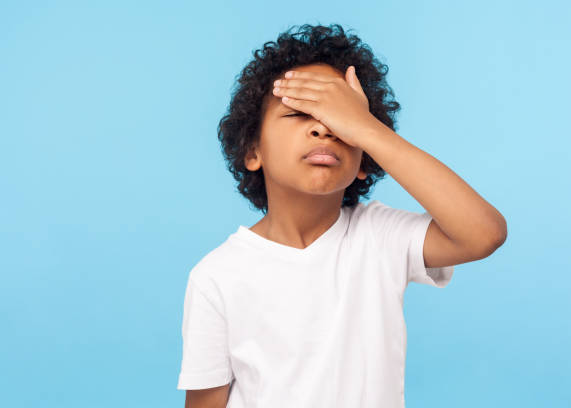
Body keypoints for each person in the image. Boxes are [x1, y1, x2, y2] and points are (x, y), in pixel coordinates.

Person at [177, 23, 507, 408]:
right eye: (301, 114)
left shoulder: (380, 237)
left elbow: (484, 232)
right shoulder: (216, 276)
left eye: (339, 119)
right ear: (253, 151)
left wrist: (367, 129)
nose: (323, 128)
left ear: (365, 158)